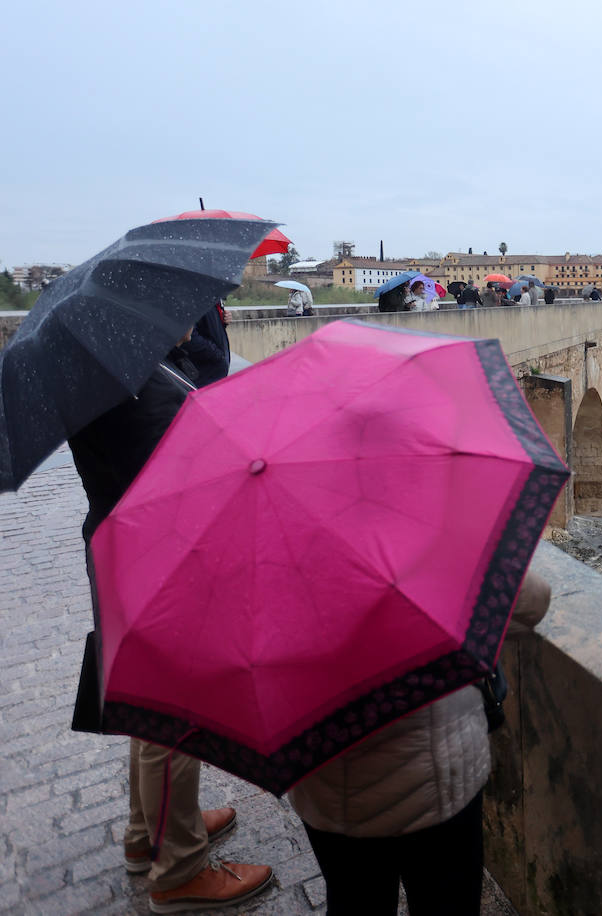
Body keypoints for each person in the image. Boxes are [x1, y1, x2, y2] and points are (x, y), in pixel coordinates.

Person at [68, 327, 274, 913]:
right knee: (170, 712)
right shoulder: (139, 383)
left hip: (122, 544)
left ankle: (150, 833)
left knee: (147, 703)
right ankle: (179, 869)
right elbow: (189, 458)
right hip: (154, 553)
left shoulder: (112, 372)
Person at [287, 571, 552, 915]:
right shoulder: (419, 544)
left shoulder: (270, 570)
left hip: (327, 787)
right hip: (438, 784)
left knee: (354, 902)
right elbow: (530, 604)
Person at [178, 299, 231, 385]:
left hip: (213, 372)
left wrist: (222, 321)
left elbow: (207, 327)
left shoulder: (212, 298)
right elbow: (188, 337)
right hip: (204, 374)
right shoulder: (195, 298)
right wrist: (217, 355)